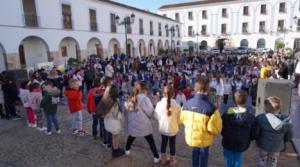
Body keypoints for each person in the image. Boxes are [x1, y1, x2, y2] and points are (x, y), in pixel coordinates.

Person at [180, 76, 222, 167]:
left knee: (195, 153)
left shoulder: (187, 104)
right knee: (204, 155)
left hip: (192, 137)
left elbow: (182, 119)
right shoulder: (211, 108)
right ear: (207, 89)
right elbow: (215, 129)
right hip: (204, 138)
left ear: (195, 88)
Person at [124, 83, 160, 163]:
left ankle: (127, 149)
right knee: (150, 140)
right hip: (143, 124)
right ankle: (156, 156)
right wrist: (156, 117)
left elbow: (126, 111)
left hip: (133, 124)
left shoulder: (130, 98)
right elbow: (150, 112)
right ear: (144, 90)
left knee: (131, 137)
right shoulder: (144, 99)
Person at [256, 96, 293, 167]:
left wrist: (257, 139)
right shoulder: (286, 120)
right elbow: (289, 135)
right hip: (277, 145)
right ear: (279, 108)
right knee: (273, 159)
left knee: (261, 158)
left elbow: (256, 132)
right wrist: (284, 141)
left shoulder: (260, 118)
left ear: (266, 109)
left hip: (263, 144)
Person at [221, 91, 256, 167]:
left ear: (234, 101)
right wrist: (249, 138)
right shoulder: (250, 116)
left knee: (228, 158)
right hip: (241, 142)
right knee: (238, 158)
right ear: (246, 101)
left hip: (228, 141)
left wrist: (224, 134)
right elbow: (253, 131)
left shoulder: (226, 113)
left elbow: (221, 127)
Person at [155, 84, 181, 166]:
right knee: (172, 144)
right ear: (173, 94)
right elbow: (179, 119)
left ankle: (163, 159)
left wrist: (161, 121)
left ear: (163, 94)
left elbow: (156, 116)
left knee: (163, 142)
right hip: (172, 128)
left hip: (163, 128)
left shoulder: (159, 104)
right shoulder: (177, 106)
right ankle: (172, 160)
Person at [103, 85, 125, 157]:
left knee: (114, 136)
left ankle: (115, 148)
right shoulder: (114, 101)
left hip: (107, 122)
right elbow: (116, 114)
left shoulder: (105, 98)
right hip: (114, 123)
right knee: (116, 136)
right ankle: (115, 150)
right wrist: (121, 117)